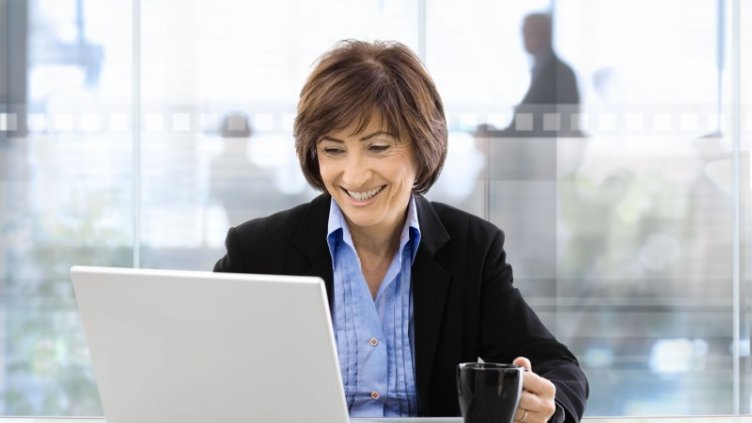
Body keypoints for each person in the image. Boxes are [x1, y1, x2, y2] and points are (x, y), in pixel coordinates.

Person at [214, 40, 588, 422]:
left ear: (422, 147)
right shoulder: (257, 250)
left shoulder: (471, 249)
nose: (355, 175)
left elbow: (558, 366)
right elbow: (199, 361)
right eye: (333, 150)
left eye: (377, 147)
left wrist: (548, 405)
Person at [504, 12, 581, 137]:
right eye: (523, 33)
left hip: (544, 150)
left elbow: (563, 124)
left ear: (546, 34)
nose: (524, 39)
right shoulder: (539, 70)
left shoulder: (560, 74)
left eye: (530, 33)